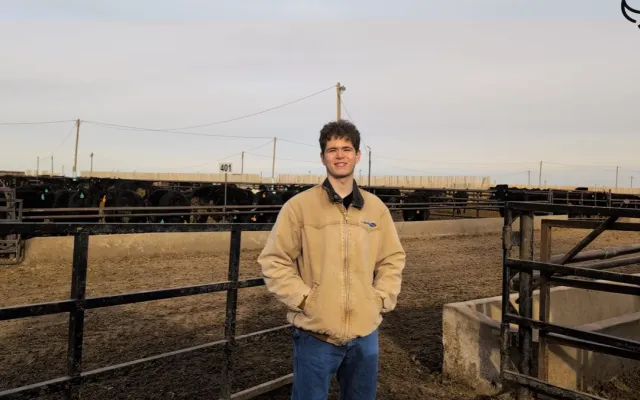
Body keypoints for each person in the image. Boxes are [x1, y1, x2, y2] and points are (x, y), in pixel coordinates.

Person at [257, 119, 406, 400]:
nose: (340, 155)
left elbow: (392, 258)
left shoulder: (376, 208)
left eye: (347, 149)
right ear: (323, 157)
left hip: (365, 334)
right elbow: (274, 260)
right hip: (316, 334)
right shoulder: (299, 207)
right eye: (332, 149)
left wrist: (381, 298)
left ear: (357, 155)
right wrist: (305, 300)